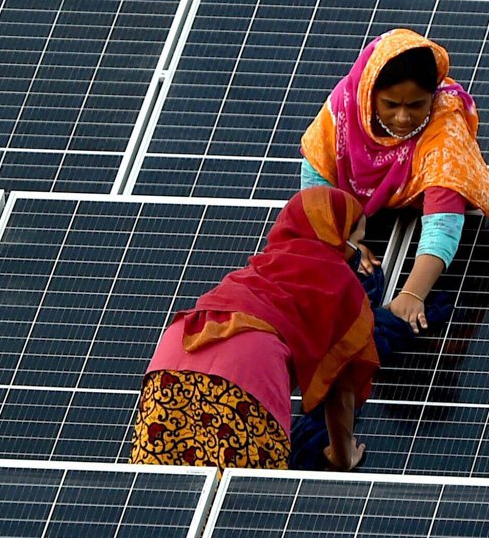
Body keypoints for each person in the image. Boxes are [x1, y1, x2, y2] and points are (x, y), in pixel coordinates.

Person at [129, 186, 380, 472]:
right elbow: (342, 388)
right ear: (337, 236)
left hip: (174, 354)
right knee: (242, 499)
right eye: (356, 242)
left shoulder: (262, 266)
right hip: (246, 364)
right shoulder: (339, 283)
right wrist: (341, 457)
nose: (358, 253)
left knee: (153, 488)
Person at [299, 28, 489, 334]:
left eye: (416, 105)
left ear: (432, 96)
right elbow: (316, 180)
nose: (403, 118)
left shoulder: (445, 133)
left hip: (424, 200)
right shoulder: (345, 107)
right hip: (358, 215)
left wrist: (412, 294)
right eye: (391, 104)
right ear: (370, 94)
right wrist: (345, 244)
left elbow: (443, 221)